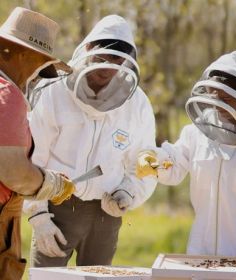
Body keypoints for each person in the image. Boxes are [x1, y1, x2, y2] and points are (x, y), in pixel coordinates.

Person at [23, 14, 157, 267]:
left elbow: (148, 159)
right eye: (101, 58)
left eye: (116, 60)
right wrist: (38, 215)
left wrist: (129, 191)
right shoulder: (54, 92)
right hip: (56, 206)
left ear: (127, 62)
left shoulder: (138, 103)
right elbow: (32, 155)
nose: (106, 67)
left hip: (106, 212)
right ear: (87, 50)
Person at [136, 47, 236, 262]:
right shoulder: (198, 133)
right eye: (215, 98)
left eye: (226, 99)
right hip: (202, 255)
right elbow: (175, 166)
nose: (219, 107)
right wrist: (153, 161)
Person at [0, 6, 76, 280]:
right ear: (21, 53)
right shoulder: (7, 94)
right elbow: (12, 170)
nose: (37, 74)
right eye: (39, 65)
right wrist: (49, 184)